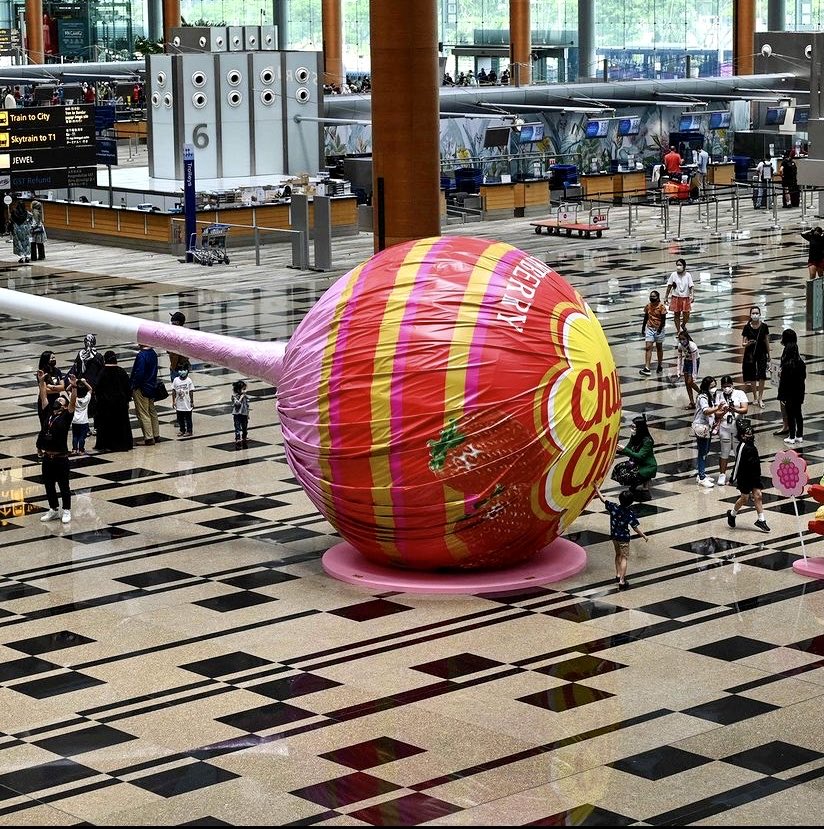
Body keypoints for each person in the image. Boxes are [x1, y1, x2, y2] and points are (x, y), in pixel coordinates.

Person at [37, 372, 76, 525]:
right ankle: (53, 509)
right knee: (48, 484)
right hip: (48, 457)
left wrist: (73, 387)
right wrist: (41, 382)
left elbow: (73, 403)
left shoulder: (66, 417)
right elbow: (44, 397)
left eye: (61, 399)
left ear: (65, 406)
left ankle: (66, 510)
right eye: (58, 398)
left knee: (63, 485)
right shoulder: (49, 414)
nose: (58, 400)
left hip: (61, 458)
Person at [593, 486, 648, 590]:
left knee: (617, 554)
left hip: (614, 536)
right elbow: (635, 527)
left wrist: (597, 489)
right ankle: (622, 581)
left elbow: (603, 499)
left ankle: (618, 575)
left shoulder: (613, 507)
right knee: (624, 557)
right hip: (624, 538)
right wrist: (644, 535)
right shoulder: (629, 514)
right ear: (631, 502)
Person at [727, 423, 770, 533]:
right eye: (747, 434)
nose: (750, 436)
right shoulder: (742, 447)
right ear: (742, 436)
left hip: (754, 476)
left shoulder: (752, 446)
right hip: (744, 477)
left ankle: (761, 520)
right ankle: (732, 514)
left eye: (751, 434)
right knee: (744, 498)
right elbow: (737, 463)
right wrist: (732, 478)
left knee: (758, 496)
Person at [93, 350, 133, 453]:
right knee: (121, 424)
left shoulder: (102, 372)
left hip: (105, 405)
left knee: (105, 425)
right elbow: (128, 388)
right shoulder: (121, 371)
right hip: (120, 404)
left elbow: (97, 388)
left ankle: (106, 444)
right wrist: (127, 399)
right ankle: (123, 443)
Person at [715, 375, 749, 486]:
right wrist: (724, 411)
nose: (726, 388)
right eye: (724, 386)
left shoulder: (740, 394)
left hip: (737, 426)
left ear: (732, 385)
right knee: (724, 450)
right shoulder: (719, 396)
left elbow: (745, 409)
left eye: (728, 386)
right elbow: (716, 413)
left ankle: (740, 474)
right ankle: (722, 474)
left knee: (737, 451)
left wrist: (734, 409)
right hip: (724, 426)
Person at [614, 415, 657, 500]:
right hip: (637, 464)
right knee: (619, 468)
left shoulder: (647, 441)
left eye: (634, 427)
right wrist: (616, 449)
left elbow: (639, 456)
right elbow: (628, 448)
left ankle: (642, 487)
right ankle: (636, 485)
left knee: (628, 474)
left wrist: (625, 450)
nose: (632, 429)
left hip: (647, 467)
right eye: (632, 426)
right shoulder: (634, 437)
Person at [35, 350, 64, 458]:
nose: (54, 360)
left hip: (56, 402)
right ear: (46, 360)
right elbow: (44, 390)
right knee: (45, 425)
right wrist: (55, 388)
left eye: (54, 358)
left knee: (55, 425)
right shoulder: (42, 373)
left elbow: (63, 386)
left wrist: (52, 387)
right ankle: (39, 447)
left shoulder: (57, 371)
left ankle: (52, 447)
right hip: (45, 401)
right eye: (52, 358)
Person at [693, 375, 722, 488]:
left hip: (707, 426)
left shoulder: (710, 396)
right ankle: (701, 477)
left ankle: (701, 472)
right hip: (701, 427)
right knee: (702, 452)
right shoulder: (702, 397)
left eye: (715, 386)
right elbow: (706, 411)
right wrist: (717, 408)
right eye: (711, 386)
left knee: (705, 450)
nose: (714, 388)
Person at [130, 343, 160, 445]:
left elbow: (139, 373)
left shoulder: (142, 355)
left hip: (141, 387)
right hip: (151, 386)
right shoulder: (153, 353)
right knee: (152, 411)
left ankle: (148, 438)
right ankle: (156, 435)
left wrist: (134, 385)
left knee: (143, 412)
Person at [778, 341, 806, 446]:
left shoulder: (787, 365)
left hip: (789, 393)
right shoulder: (801, 363)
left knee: (790, 414)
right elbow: (803, 377)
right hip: (799, 392)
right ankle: (799, 435)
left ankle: (792, 436)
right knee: (798, 413)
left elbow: (784, 382)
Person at [741, 305, 770, 408]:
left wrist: (769, 355)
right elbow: (743, 343)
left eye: (756, 313)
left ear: (760, 314)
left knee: (762, 375)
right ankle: (755, 396)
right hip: (750, 353)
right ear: (750, 314)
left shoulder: (764, 326)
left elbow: (766, 340)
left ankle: (761, 397)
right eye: (753, 313)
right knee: (752, 375)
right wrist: (748, 343)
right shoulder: (747, 327)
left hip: (761, 353)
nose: (755, 315)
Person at [773, 328, 797, 436]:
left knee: (785, 403)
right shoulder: (792, 347)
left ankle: (787, 426)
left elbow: (789, 365)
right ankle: (788, 425)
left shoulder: (789, 348)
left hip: (788, 382)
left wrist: (782, 372)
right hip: (790, 381)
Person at [639, 289, 666, 376]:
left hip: (659, 329)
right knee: (648, 347)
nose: (652, 298)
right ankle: (647, 367)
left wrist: (659, 330)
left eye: (654, 296)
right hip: (649, 328)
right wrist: (643, 328)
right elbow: (646, 317)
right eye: (651, 296)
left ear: (658, 298)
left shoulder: (662, 307)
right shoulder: (648, 306)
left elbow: (663, 320)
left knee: (659, 347)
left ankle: (660, 365)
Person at [663, 258, 694, 332]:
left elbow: (691, 286)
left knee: (686, 314)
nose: (678, 267)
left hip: (685, 298)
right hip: (676, 297)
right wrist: (666, 297)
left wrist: (692, 295)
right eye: (677, 265)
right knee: (676, 315)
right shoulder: (673, 275)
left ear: (684, 266)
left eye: (680, 265)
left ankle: (683, 324)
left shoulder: (688, 275)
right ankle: (678, 331)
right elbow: (669, 286)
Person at [676, 328, 700, 409]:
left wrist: (694, 374)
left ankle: (702, 393)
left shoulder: (692, 346)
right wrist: (678, 370)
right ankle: (692, 402)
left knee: (690, 381)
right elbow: (679, 357)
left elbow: (694, 361)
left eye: (683, 339)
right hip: (686, 361)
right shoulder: (680, 346)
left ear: (687, 338)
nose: (682, 341)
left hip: (694, 361)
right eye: (680, 339)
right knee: (687, 383)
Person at [172, 361, 194, 437]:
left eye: (184, 370)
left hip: (187, 403)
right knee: (180, 418)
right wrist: (173, 401)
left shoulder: (189, 381)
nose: (182, 372)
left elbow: (191, 392)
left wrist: (192, 401)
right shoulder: (175, 380)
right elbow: (173, 391)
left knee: (188, 418)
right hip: (179, 404)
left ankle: (189, 431)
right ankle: (182, 430)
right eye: (180, 370)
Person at [70, 379, 92, 455]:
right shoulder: (87, 398)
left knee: (75, 436)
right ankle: (81, 450)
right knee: (82, 437)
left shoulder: (73, 398)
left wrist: (74, 383)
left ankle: (74, 449)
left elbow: (67, 389)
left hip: (74, 420)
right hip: (84, 421)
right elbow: (90, 389)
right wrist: (85, 382)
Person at [9, 199, 31, 263]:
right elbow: (31, 218)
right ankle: (27, 256)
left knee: (18, 243)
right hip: (25, 229)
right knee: (26, 243)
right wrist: (29, 225)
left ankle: (21, 257)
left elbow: (11, 220)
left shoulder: (14, 212)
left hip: (17, 229)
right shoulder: (26, 213)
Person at [168, 311, 186, 381]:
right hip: (184, 365)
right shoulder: (183, 333)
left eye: (173, 322)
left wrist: (173, 367)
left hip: (178, 367)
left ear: (177, 323)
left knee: (176, 388)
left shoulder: (176, 336)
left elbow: (175, 354)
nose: (171, 323)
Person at [231, 379, 250, 448]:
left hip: (244, 413)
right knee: (237, 426)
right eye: (243, 389)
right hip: (237, 414)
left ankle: (244, 436)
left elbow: (247, 405)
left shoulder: (245, 396)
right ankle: (237, 438)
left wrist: (248, 414)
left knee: (245, 426)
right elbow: (237, 404)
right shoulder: (234, 396)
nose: (245, 391)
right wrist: (241, 398)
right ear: (239, 390)